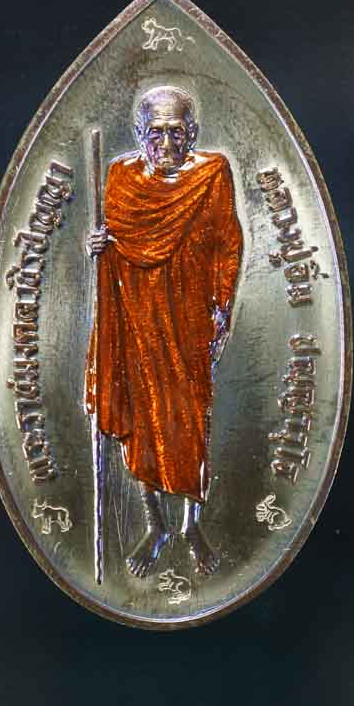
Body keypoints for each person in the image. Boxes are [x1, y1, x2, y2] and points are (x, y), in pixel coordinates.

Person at [85, 86, 243, 577]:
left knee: (190, 422)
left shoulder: (212, 174)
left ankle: (192, 525)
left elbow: (228, 243)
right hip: (137, 317)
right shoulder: (121, 177)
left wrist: (222, 308)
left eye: (177, 132)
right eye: (156, 133)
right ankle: (155, 526)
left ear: (192, 133)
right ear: (140, 134)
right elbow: (117, 244)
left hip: (190, 319)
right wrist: (97, 246)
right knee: (143, 421)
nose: (167, 143)